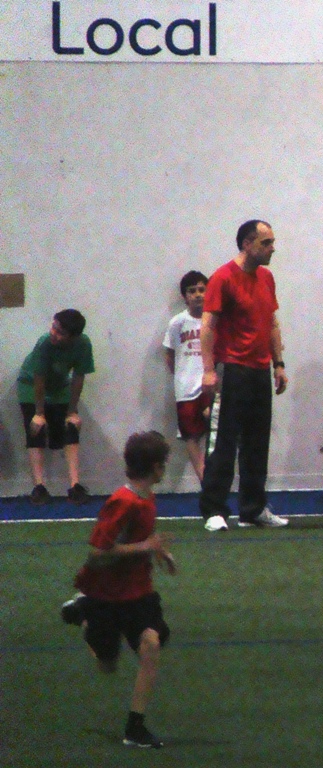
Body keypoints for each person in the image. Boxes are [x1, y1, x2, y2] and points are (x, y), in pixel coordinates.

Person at [59, 431, 176, 749]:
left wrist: (159, 551)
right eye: (163, 463)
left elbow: (143, 536)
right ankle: (84, 615)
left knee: (151, 644)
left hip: (138, 592)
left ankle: (135, 728)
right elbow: (97, 552)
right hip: (106, 596)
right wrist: (146, 546)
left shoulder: (147, 497)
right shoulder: (122, 502)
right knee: (107, 665)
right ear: (155, 467)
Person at [198, 219, 289, 531]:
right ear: (247, 244)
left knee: (257, 443)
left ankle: (253, 509)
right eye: (266, 243)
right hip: (231, 369)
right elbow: (208, 326)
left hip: (259, 370)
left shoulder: (266, 277)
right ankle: (214, 510)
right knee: (223, 442)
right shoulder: (222, 278)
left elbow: (272, 322)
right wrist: (208, 370)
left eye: (272, 242)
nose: (272, 248)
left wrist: (279, 364)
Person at [17, 308, 94, 504]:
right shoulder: (44, 343)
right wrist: (39, 413)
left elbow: (78, 377)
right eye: (53, 327)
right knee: (36, 429)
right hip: (31, 385)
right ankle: (39, 487)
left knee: (70, 427)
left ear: (73, 337)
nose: (54, 333)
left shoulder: (83, 344)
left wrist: (72, 411)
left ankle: (75, 486)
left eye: (60, 332)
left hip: (59, 387)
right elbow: (39, 379)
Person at [163, 271, 212, 482]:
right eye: (192, 291)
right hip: (185, 388)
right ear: (185, 296)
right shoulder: (178, 322)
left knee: (215, 427)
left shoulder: (214, 320)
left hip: (209, 385)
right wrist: (181, 375)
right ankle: (204, 479)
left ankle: (216, 475)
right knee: (190, 435)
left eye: (202, 290)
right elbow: (169, 353)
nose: (198, 295)